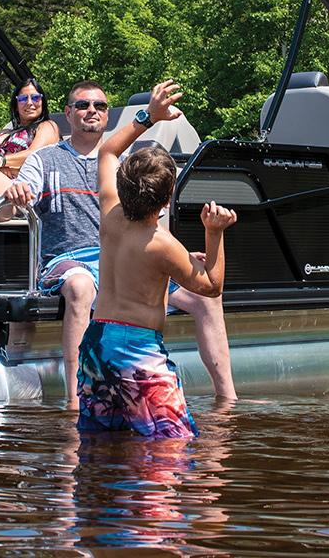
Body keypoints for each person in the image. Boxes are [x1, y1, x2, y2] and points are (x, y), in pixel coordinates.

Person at [3, 79, 238, 409]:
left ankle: (228, 398)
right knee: (82, 286)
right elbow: (8, 208)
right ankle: (74, 401)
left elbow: (149, 228)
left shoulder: (126, 163)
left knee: (206, 298)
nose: (91, 111)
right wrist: (14, 195)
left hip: (123, 259)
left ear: (108, 115)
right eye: (83, 105)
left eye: (99, 106)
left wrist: (176, 258)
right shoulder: (45, 160)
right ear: (67, 114)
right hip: (68, 259)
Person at [77, 78, 236, 438]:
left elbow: (106, 152)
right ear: (166, 202)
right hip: (138, 353)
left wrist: (149, 115)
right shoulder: (161, 243)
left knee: (103, 442)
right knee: (173, 446)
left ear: (122, 185)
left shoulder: (110, 215)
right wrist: (215, 233)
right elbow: (211, 286)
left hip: (97, 345)